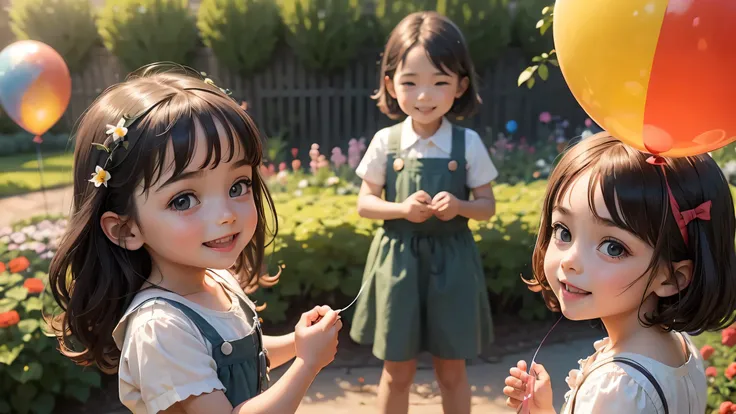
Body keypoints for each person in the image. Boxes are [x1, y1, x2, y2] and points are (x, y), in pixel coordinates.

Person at [48, 63, 342, 414]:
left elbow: (246, 355)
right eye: (183, 199)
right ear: (126, 229)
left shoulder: (216, 279)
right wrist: (307, 366)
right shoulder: (161, 329)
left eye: (238, 186)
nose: (225, 215)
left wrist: (299, 343)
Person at [503, 133, 736, 413]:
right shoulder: (680, 351)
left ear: (672, 278)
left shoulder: (618, 389)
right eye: (563, 231)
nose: (570, 261)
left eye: (613, 247)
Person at [349, 11, 498, 414]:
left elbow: (487, 207)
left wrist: (461, 206)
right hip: (398, 264)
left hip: (453, 264)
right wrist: (401, 209)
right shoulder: (386, 141)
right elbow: (364, 203)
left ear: (460, 85)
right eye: (410, 82)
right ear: (390, 84)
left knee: (452, 372)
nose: (424, 96)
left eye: (439, 82)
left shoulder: (467, 144)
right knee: (396, 372)